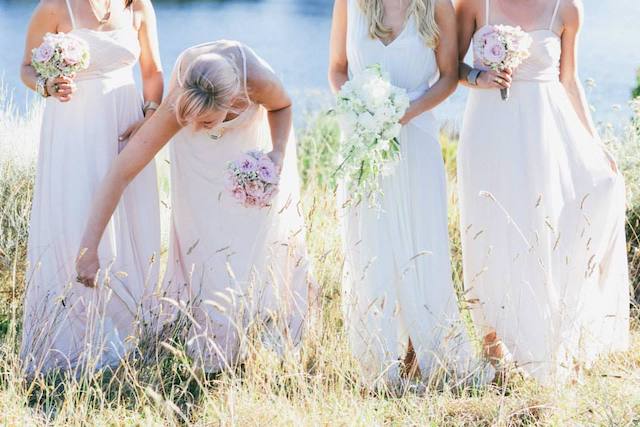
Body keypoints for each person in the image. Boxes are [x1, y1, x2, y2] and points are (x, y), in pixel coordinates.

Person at [19, 0, 163, 374]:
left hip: (124, 128)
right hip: (73, 130)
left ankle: (129, 338)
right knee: (74, 217)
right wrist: (47, 85)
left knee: (129, 217)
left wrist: (149, 116)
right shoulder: (55, 6)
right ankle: (65, 348)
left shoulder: (139, 6)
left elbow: (152, 71)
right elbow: (26, 68)